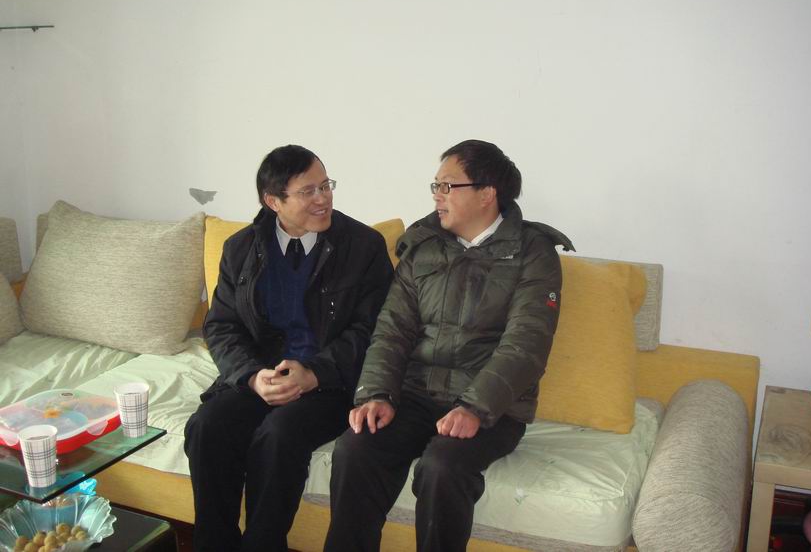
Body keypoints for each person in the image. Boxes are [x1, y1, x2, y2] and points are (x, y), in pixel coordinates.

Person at [324, 140, 574, 552]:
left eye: (447, 186)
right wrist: (376, 394)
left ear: (487, 193)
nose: (437, 196)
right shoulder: (422, 246)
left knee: (442, 467)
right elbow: (392, 330)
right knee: (356, 449)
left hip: (493, 408)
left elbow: (526, 344)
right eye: (435, 186)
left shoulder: (533, 252)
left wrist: (474, 407)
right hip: (415, 395)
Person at [184, 145, 394, 552]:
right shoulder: (241, 248)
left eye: (326, 186)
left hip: (330, 383)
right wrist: (250, 376)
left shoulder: (363, 246)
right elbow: (222, 326)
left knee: (279, 434)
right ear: (273, 201)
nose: (323, 199)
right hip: (261, 376)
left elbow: (373, 330)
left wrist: (314, 372)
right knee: (207, 426)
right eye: (308, 191)